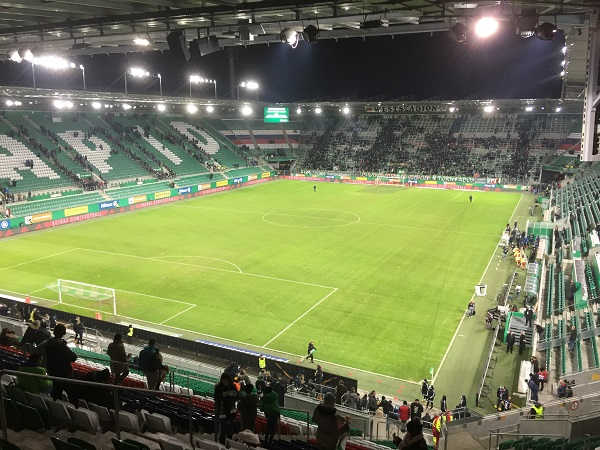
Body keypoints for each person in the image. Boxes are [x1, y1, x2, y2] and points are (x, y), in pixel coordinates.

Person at [44, 324, 78, 401]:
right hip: (64, 373)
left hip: (53, 372)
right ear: (64, 333)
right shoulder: (61, 346)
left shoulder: (48, 344)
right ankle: (75, 408)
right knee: (72, 394)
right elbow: (73, 357)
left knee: (56, 392)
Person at [215, 371, 239, 444]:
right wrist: (222, 395)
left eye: (227, 381)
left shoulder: (232, 387)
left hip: (231, 411)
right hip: (222, 412)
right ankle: (222, 443)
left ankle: (229, 443)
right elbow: (216, 399)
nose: (226, 383)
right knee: (223, 429)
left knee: (230, 429)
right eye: (224, 381)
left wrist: (235, 395)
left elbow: (237, 397)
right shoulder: (218, 388)